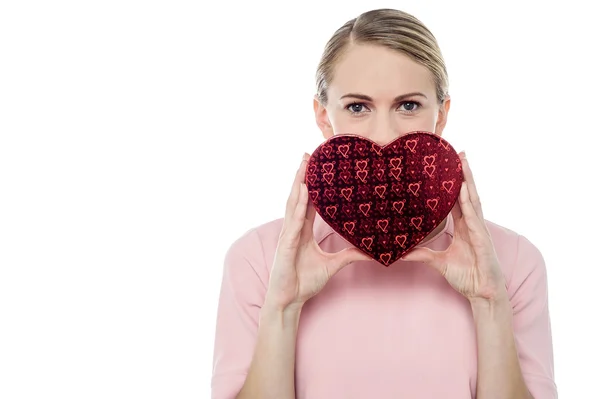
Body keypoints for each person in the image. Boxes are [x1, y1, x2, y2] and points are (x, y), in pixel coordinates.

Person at [211, 8, 557, 399]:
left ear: (441, 116)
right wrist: (282, 308)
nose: (383, 136)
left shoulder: (514, 263)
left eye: (408, 105)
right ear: (324, 117)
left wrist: (490, 303)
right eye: (357, 107)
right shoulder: (257, 260)